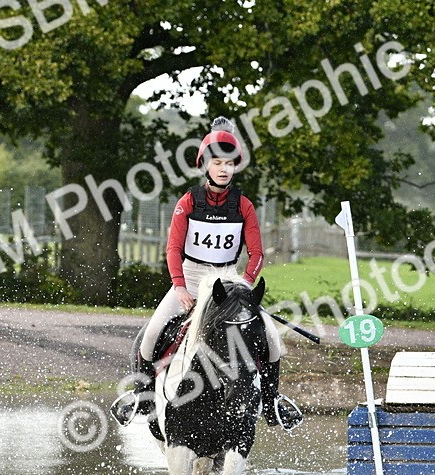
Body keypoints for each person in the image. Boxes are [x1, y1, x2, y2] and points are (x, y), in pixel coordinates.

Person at [110, 117, 303, 431]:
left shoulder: (244, 205)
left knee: (271, 339)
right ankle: (144, 395)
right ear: (205, 165)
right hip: (191, 278)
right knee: (150, 335)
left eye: (229, 163)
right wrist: (180, 288)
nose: (224, 169)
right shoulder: (188, 202)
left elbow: (257, 254)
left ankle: (272, 402)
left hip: (229, 282)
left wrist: (245, 287)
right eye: (217, 162)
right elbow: (173, 249)